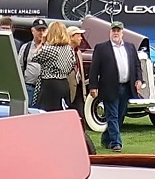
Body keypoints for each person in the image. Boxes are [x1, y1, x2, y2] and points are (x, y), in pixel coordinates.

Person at [90, 20, 144, 150]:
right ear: (110, 32)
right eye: (113, 30)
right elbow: (94, 68)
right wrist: (93, 86)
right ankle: (116, 143)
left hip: (126, 87)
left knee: (119, 116)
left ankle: (106, 138)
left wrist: (139, 79)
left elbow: (136, 65)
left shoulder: (130, 47)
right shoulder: (101, 48)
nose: (115, 33)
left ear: (122, 32)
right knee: (112, 115)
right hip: (109, 87)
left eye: (118, 31)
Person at [34, 21, 77, 112]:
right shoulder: (69, 49)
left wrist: (42, 43)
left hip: (50, 86)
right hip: (64, 83)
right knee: (61, 113)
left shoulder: (49, 49)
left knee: (46, 115)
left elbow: (34, 57)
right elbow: (72, 65)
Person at [19, 19, 47, 108]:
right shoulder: (25, 47)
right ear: (32, 31)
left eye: (44, 30)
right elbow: (19, 67)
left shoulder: (50, 47)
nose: (41, 33)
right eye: (39, 30)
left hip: (45, 89)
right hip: (29, 88)